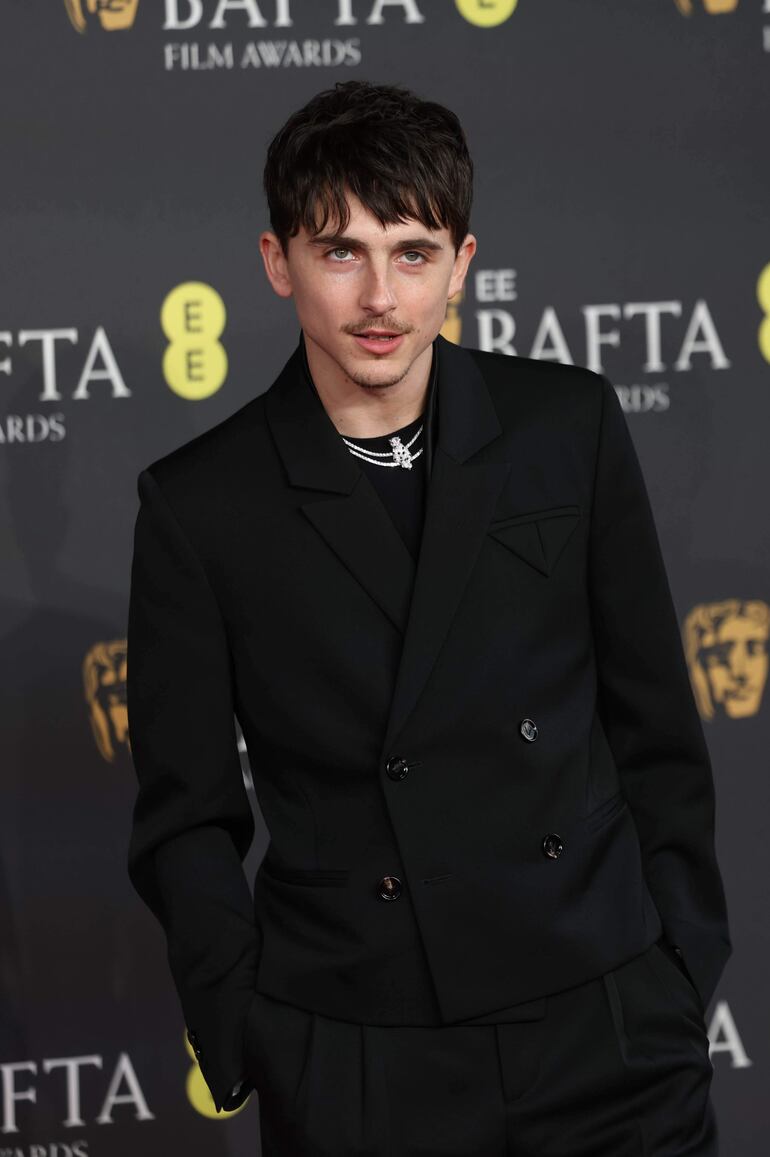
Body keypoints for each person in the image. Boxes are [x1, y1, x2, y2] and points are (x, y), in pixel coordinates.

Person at [126, 79, 732, 1155]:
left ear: (461, 263)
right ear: (278, 262)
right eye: (338, 249)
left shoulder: (566, 427)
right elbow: (186, 817)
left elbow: (654, 731)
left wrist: (678, 967)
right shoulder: (201, 502)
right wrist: (250, 1033)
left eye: (411, 251)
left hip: (605, 1024)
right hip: (364, 1051)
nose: (378, 295)